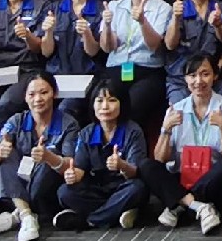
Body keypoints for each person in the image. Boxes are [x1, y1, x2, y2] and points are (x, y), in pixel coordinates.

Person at [139, 55, 222, 233]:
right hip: (182, 176)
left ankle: (179, 205)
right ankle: (199, 206)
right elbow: (160, 158)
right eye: (192, 75)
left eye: (205, 74)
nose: (198, 81)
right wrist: (166, 129)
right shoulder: (175, 109)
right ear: (185, 79)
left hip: (212, 180)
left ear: (215, 76)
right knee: (146, 166)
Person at [0, 70, 78, 241]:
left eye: (44, 92)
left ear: (54, 93)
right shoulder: (15, 121)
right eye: (32, 94)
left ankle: (18, 215)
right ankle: (26, 215)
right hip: (18, 183)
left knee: (52, 156)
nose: (38, 99)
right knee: (6, 154)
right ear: (25, 97)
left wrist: (49, 157)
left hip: (45, 188)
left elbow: (71, 164)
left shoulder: (68, 124)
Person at [53, 82, 151, 231]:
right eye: (99, 101)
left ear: (122, 104)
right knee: (64, 192)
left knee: (137, 189)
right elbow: (80, 168)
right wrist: (72, 175)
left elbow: (134, 172)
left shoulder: (133, 131)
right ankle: (115, 212)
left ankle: (89, 220)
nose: (105, 106)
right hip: (98, 189)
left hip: (123, 187)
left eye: (112, 100)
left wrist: (122, 165)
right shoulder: (86, 133)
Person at [99, 0, 172, 131]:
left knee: (132, 107)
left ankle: (129, 144)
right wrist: (107, 26)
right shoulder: (114, 6)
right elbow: (107, 47)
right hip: (116, 67)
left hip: (148, 70)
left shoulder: (163, 8)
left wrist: (142, 21)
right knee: (99, 100)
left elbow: (153, 45)